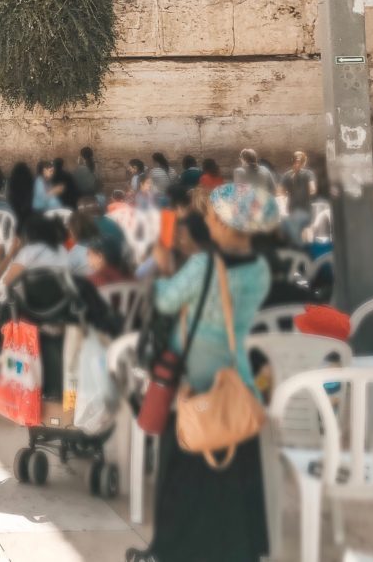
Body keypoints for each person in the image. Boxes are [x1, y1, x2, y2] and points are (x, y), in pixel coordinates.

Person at [128, 183, 274, 562]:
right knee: (234, 475)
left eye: (214, 215)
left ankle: (174, 550)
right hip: (236, 380)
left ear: (227, 225)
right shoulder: (260, 269)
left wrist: (162, 266)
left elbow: (165, 298)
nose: (208, 219)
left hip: (196, 383)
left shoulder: (204, 265)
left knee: (184, 473)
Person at [0, 213, 70, 286]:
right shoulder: (63, 250)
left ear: (30, 234)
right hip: (60, 295)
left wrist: (12, 253)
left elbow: (7, 282)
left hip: (32, 296)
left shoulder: (28, 251)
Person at [279, 151, 316, 246]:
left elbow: (281, 192)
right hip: (304, 208)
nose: (297, 164)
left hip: (294, 208)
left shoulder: (287, 175)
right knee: (306, 231)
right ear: (305, 162)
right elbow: (312, 189)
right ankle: (307, 250)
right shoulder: (308, 174)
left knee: (296, 233)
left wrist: (287, 195)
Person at [7, 161, 35, 227]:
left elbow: (10, 198)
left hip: (15, 213)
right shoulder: (31, 182)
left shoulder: (12, 183)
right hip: (28, 214)